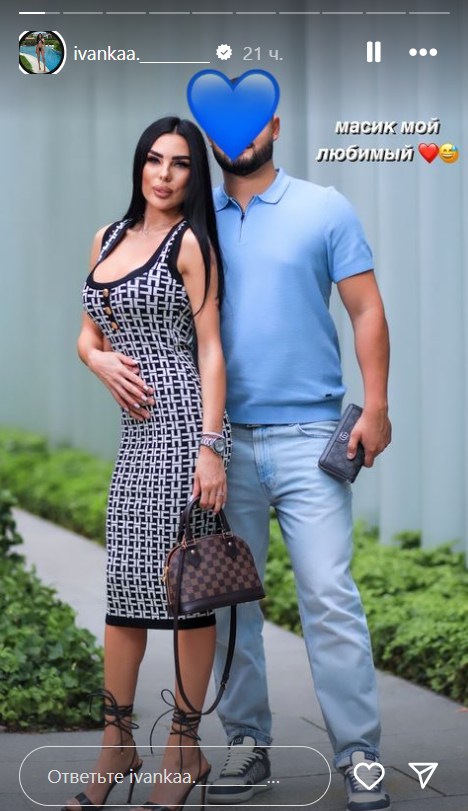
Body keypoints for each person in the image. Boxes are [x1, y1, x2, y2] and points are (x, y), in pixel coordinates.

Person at [203, 114, 392, 811]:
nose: (238, 136)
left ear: (276, 126)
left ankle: (360, 754)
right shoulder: (194, 219)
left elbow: (366, 309)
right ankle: (247, 742)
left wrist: (376, 405)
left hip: (312, 437)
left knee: (330, 597)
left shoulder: (325, 207)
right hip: (223, 444)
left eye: (252, 122)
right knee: (230, 605)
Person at [65, 117, 231, 811]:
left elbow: (211, 348)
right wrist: (97, 359)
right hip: (135, 441)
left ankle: (183, 749)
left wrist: (211, 447)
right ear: (140, 165)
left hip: (183, 434)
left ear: (195, 175)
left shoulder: (189, 244)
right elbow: (88, 333)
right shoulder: (106, 237)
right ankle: (117, 743)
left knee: (185, 591)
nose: (164, 174)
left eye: (181, 164)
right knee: (124, 593)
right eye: (155, 160)